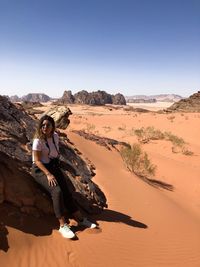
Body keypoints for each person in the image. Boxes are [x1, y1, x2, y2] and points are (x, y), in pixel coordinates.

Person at [31, 115, 96, 239]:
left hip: (53, 167)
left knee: (66, 191)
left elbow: (55, 154)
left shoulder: (55, 137)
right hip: (40, 170)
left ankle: (80, 219)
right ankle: (62, 225)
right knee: (57, 191)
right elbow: (37, 161)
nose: (45, 127)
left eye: (48, 125)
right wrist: (48, 175)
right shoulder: (38, 140)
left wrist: (54, 169)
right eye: (43, 125)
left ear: (52, 126)